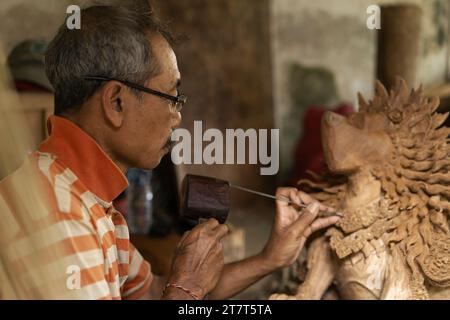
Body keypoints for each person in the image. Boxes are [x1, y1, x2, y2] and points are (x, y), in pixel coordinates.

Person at [1, 5, 340, 300]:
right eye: (171, 98)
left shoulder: (89, 199)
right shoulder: (60, 218)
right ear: (116, 102)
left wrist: (270, 258)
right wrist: (186, 286)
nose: (177, 118)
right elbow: (176, 293)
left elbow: (153, 293)